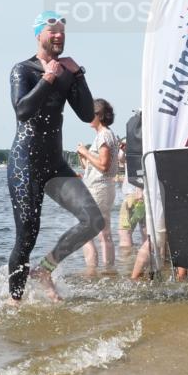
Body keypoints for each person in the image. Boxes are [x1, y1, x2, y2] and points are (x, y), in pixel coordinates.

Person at [7, 11, 103, 303]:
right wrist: (48, 77)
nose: (59, 35)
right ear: (39, 35)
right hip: (25, 164)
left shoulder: (67, 72)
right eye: (53, 31)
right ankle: (14, 301)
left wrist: (78, 75)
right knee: (27, 237)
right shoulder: (22, 70)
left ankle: (44, 270)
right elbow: (22, 110)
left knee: (93, 221)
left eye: (62, 31)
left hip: (54, 165)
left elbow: (87, 114)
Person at [76, 98, 118, 270]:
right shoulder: (107, 134)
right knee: (104, 233)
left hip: (99, 188)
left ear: (98, 115)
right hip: (105, 187)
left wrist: (86, 152)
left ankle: (91, 272)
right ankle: (108, 270)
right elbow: (95, 167)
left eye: (89, 114)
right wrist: (84, 157)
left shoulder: (103, 135)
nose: (86, 117)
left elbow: (104, 166)